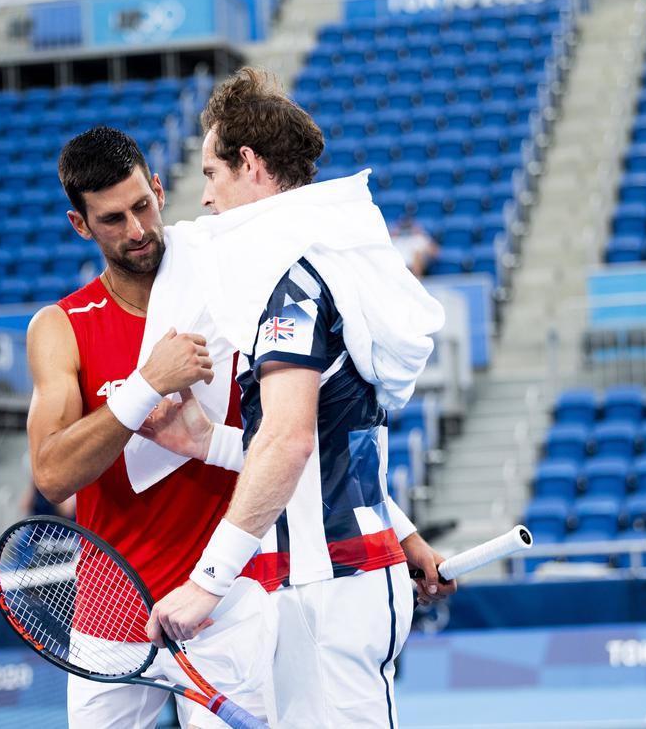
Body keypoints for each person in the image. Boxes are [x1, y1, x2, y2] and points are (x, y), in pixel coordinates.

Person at [143, 68, 454, 728]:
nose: (204, 198)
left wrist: (207, 583)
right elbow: (331, 443)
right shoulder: (327, 263)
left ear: (248, 164)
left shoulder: (293, 285)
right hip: (340, 577)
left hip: (329, 590)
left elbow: (288, 442)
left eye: (211, 174)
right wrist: (405, 534)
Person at [25, 126, 277, 729]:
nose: (137, 231)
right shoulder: (61, 327)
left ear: (160, 190)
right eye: (112, 219)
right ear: (80, 225)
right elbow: (53, 474)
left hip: (225, 597)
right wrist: (146, 385)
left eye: (143, 206)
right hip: (111, 611)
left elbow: (294, 440)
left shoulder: (230, 291)